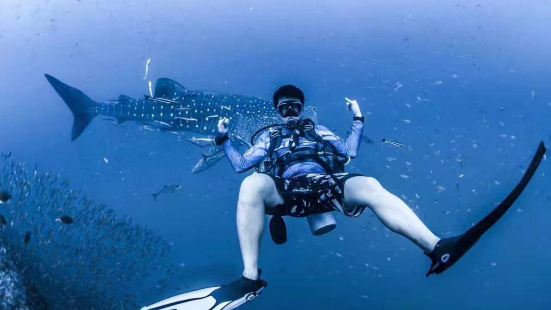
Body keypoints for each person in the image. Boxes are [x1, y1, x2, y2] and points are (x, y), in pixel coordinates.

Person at [140, 85, 546, 310]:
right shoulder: (268, 135)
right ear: (276, 111)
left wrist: (357, 119)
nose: (290, 111)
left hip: (327, 188)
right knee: (250, 187)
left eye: (295, 105)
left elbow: (349, 154)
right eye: (284, 106)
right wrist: (225, 139)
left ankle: (437, 247)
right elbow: (243, 165)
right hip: (286, 196)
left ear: (303, 107)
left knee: (368, 184)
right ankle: (249, 276)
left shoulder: (322, 132)